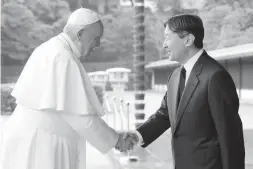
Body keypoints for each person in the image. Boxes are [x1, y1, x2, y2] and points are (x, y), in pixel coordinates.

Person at [0, 8, 134, 169]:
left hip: (32, 138)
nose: (97, 44)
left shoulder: (50, 48)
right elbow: (81, 118)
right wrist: (116, 140)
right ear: (80, 34)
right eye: (96, 38)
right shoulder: (64, 58)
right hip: (43, 145)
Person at [121, 14, 245, 169]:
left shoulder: (215, 76)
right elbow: (164, 114)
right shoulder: (175, 76)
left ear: (188, 40)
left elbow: (230, 137)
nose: (164, 45)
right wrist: (136, 136)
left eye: (167, 38)